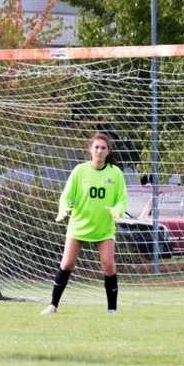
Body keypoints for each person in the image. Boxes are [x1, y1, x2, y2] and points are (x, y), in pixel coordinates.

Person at [42, 131, 128, 315]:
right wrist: (63, 208)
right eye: (96, 147)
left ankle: (112, 310)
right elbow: (67, 195)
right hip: (79, 225)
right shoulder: (79, 171)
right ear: (90, 149)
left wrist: (118, 210)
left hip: (103, 227)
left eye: (103, 148)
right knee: (66, 264)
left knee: (109, 265)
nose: (99, 151)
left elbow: (122, 199)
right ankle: (53, 305)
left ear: (108, 151)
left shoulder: (116, 174)